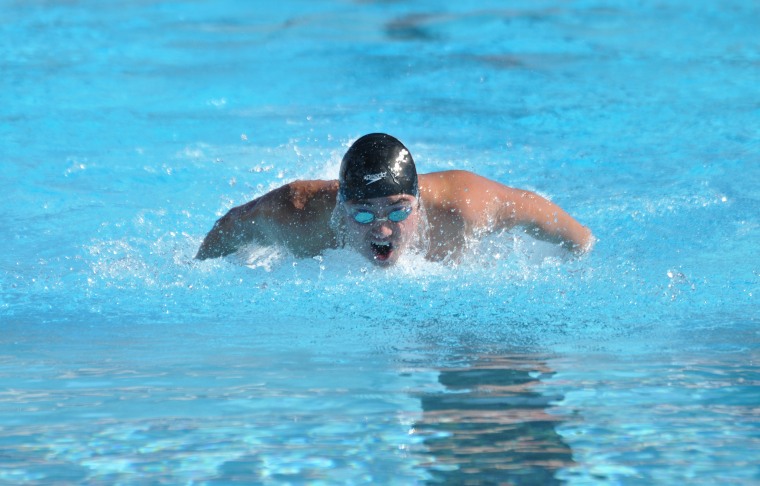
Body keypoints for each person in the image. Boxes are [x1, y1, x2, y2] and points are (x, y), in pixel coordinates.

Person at [196, 133, 593, 265]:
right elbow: (230, 225)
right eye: (363, 215)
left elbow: (565, 228)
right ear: (340, 209)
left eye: (399, 210)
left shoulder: (464, 208)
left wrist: (580, 258)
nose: (382, 230)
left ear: (419, 203)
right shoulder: (299, 217)